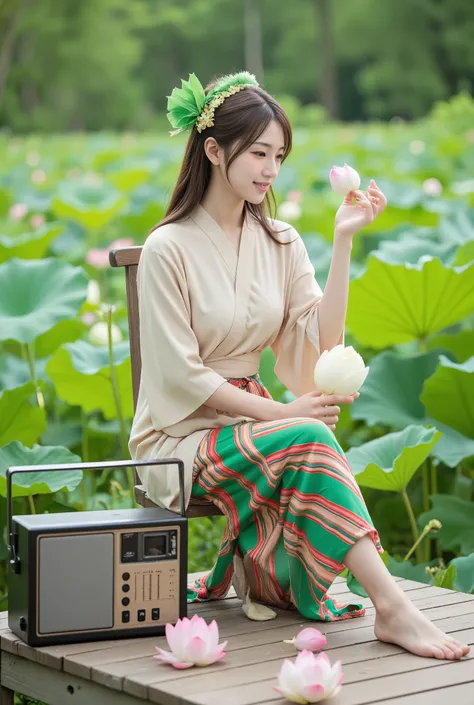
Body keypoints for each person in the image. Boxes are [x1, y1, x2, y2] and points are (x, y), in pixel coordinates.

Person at [129, 71, 469, 660]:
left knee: (305, 433)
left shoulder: (282, 240)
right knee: (308, 432)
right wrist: (283, 410)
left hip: (256, 424)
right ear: (213, 150)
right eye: (259, 152)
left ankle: (386, 605)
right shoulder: (167, 248)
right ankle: (392, 606)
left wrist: (343, 243)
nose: (270, 169)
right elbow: (181, 378)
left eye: (279, 156)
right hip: (178, 435)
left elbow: (315, 348)